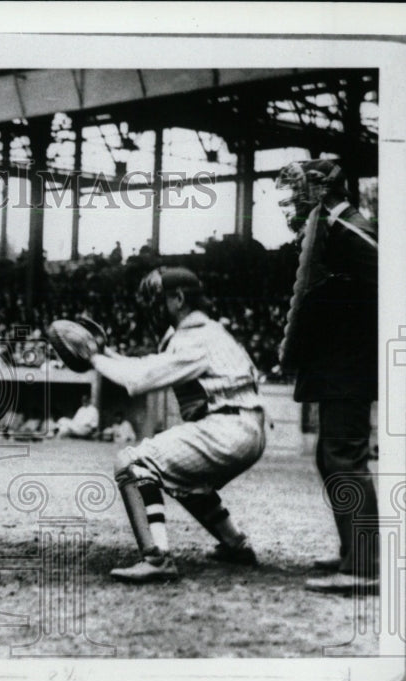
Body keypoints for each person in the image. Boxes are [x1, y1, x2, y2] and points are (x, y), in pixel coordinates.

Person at [90, 267, 266, 583]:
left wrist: (93, 359)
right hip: (243, 426)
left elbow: (139, 378)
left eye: (159, 300)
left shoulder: (193, 337)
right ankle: (235, 543)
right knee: (184, 479)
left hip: (228, 429)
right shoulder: (209, 332)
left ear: (179, 298)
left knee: (133, 463)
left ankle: (157, 557)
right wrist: (106, 354)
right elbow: (146, 367)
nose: (153, 308)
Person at [275, 159, 379, 594]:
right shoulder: (330, 230)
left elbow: (390, 284)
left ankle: (364, 568)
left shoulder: (349, 228)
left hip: (349, 364)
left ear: (319, 191)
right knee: (331, 455)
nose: (287, 206)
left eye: (294, 194)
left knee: (343, 455)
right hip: (339, 364)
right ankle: (354, 553)